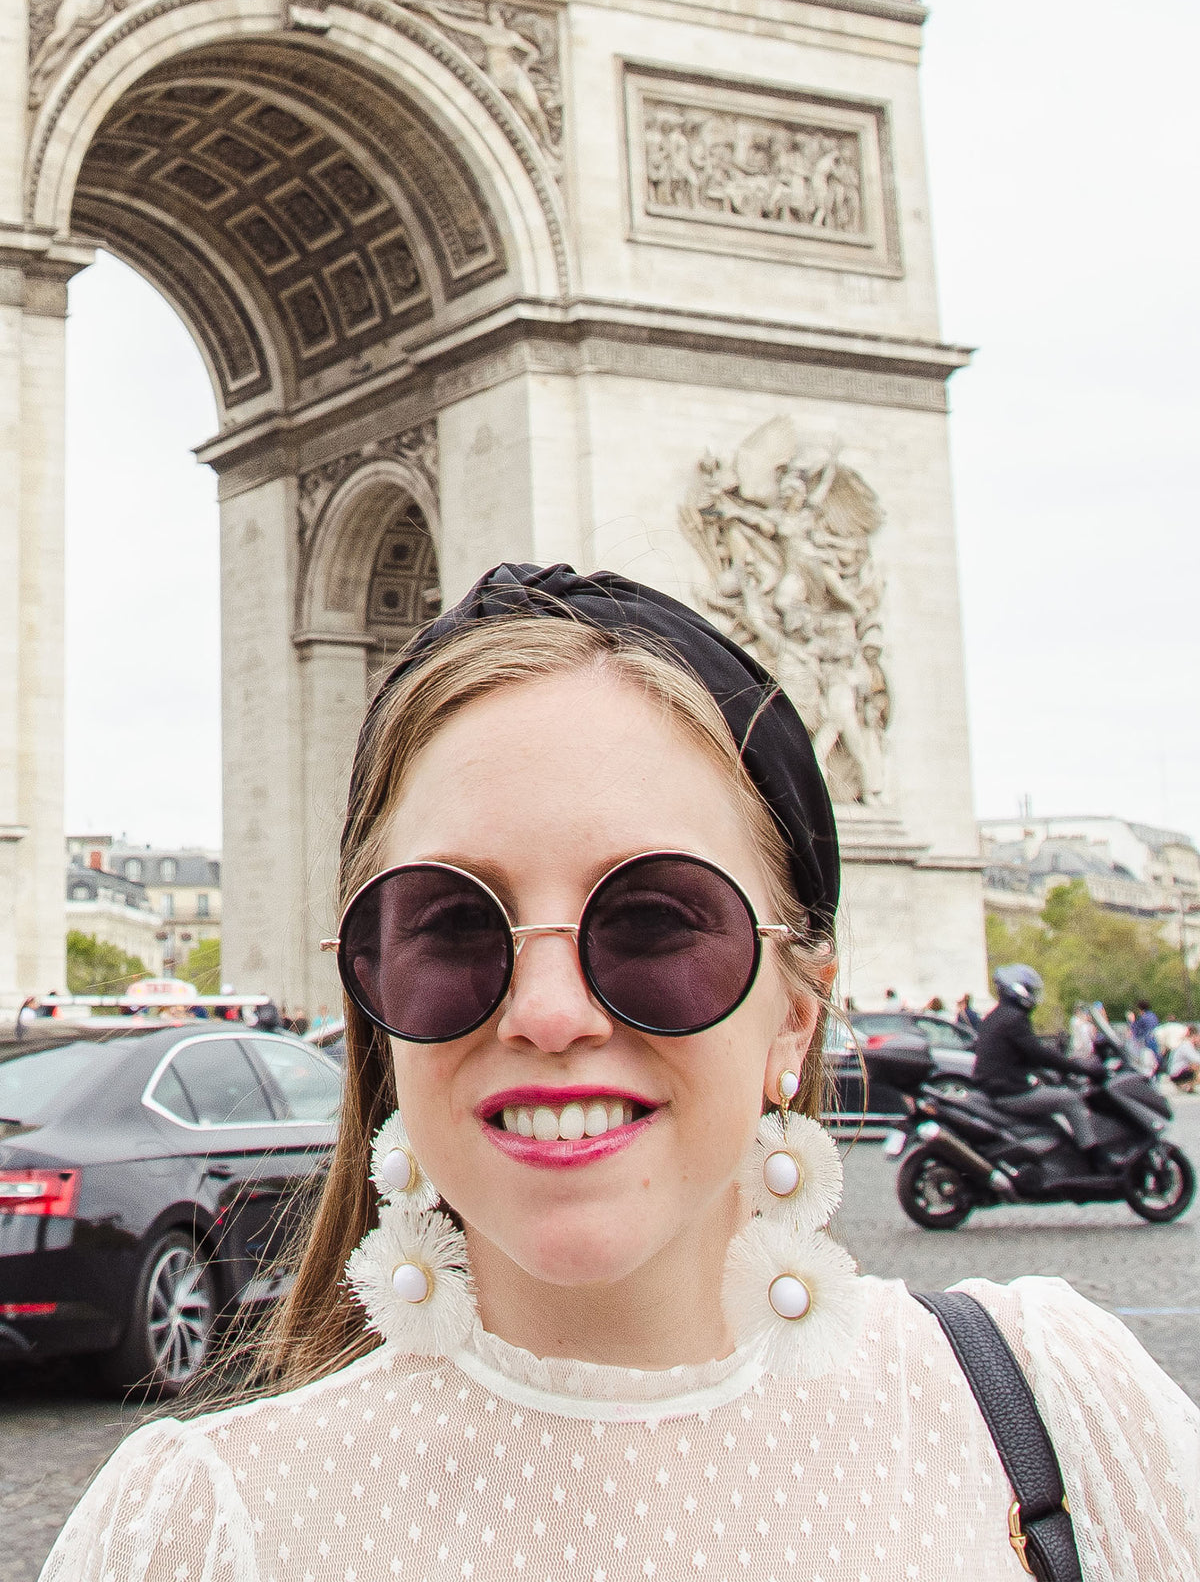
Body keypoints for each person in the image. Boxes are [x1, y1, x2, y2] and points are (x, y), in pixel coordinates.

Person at [40, 564, 1199, 1581]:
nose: (548, 1012)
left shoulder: (1061, 1407)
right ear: (375, 998)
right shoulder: (189, 1532)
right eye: (452, 925)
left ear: (797, 1013)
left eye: (654, 919)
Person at [972, 964, 1111, 1160]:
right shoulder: (1014, 1019)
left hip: (994, 1089)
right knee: (1070, 1099)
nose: (1033, 995)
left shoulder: (995, 1017)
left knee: (1051, 1113)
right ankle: (1095, 1157)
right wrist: (1082, 1068)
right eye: (1030, 990)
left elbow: (1022, 1056)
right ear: (1018, 990)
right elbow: (1039, 1054)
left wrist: (1055, 1069)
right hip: (1010, 1092)